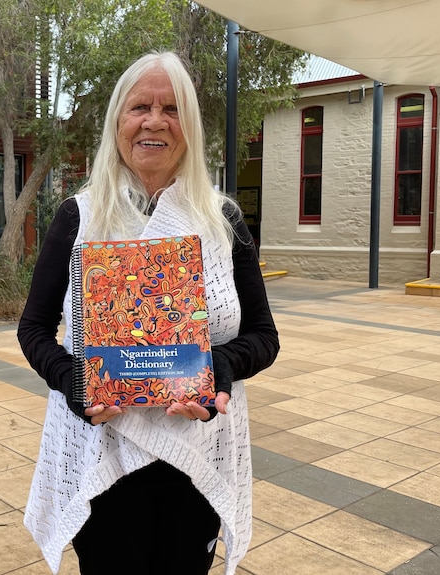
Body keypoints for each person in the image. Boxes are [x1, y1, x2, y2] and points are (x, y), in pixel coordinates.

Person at [17, 51, 280, 575]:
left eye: (172, 108)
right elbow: (33, 329)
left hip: (197, 453)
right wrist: (74, 380)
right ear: (118, 120)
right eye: (140, 106)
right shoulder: (80, 216)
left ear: (190, 127)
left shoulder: (222, 219)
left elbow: (263, 335)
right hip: (103, 453)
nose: (154, 121)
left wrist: (220, 369)